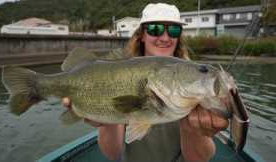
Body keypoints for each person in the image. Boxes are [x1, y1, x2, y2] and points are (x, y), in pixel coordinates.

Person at [63, 3, 228, 162]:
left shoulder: (195, 83)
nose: (165, 37)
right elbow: (113, 153)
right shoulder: (120, 72)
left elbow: (199, 159)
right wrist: (107, 121)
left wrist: (192, 129)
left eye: (173, 30)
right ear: (141, 34)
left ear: (179, 36)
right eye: (155, 29)